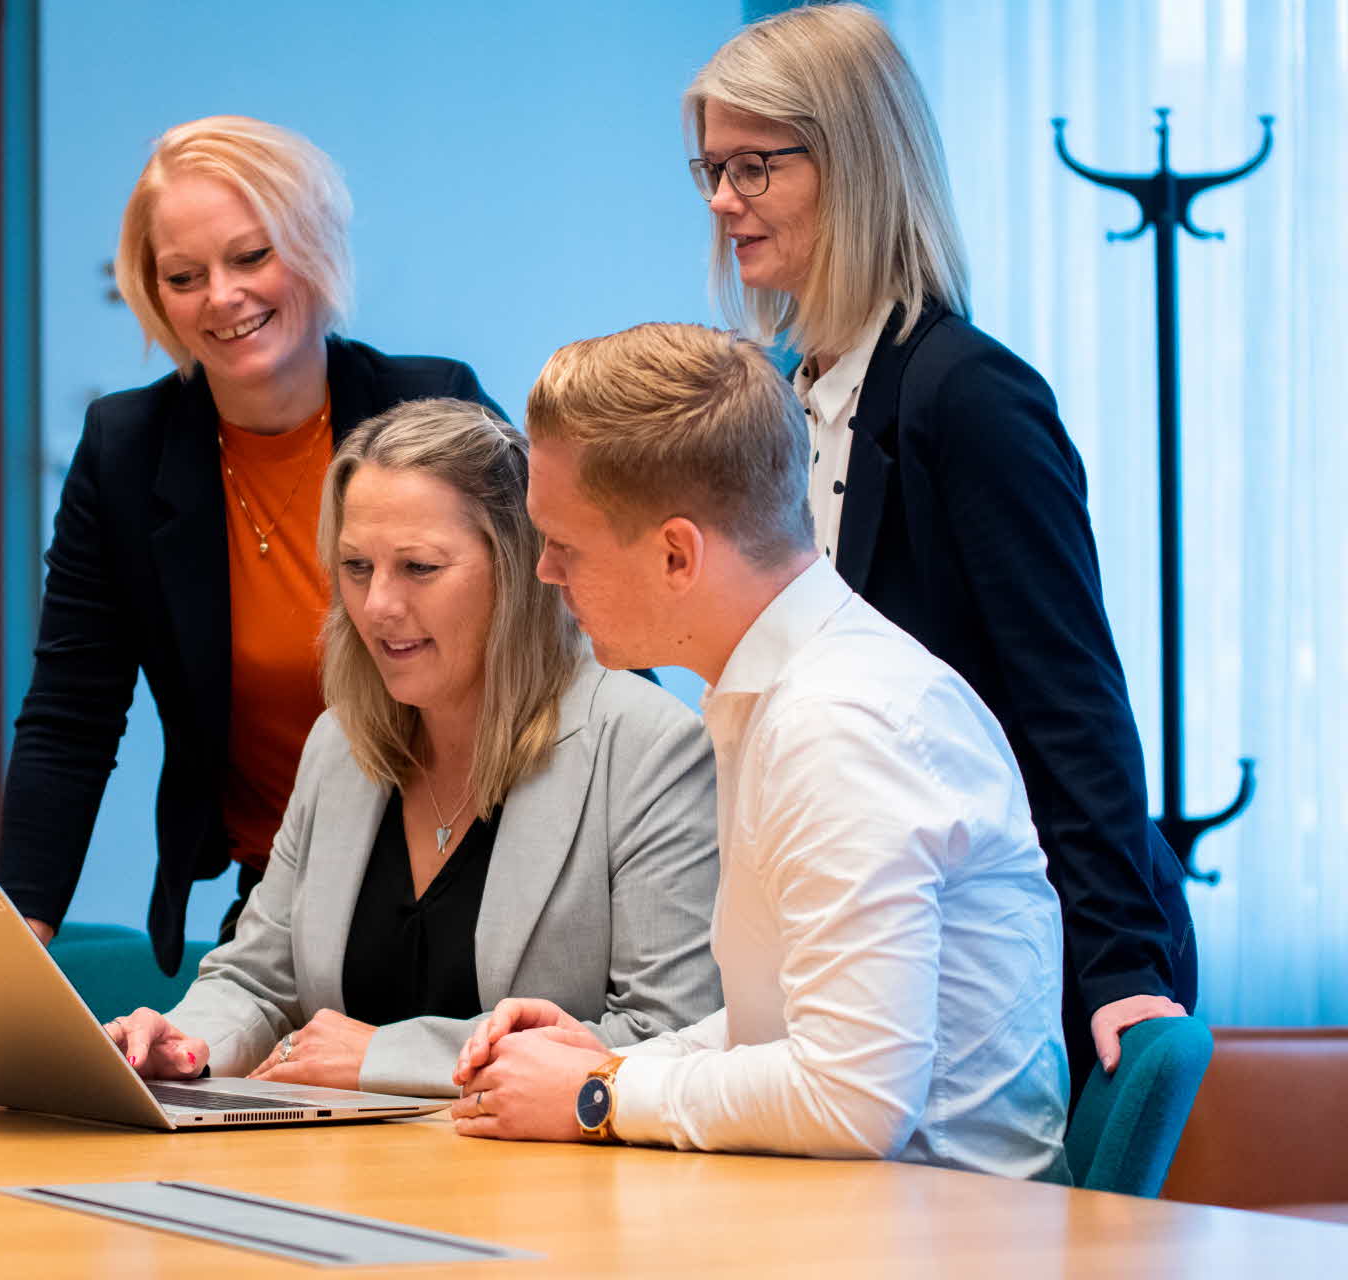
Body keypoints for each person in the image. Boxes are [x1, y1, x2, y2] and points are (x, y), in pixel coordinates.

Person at [678, 2, 1192, 1089]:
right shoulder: (789, 398)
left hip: (1010, 971)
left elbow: (1071, 699)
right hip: (874, 963)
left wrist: (1124, 964)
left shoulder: (969, 396)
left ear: (855, 161)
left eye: (755, 167)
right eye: (712, 168)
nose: (724, 200)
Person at [452, 323, 1069, 1180]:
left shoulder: (839, 725)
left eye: (565, 544)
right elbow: (782, 1026)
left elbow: (853, 1099)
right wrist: (607, 1060)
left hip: (942, 1238)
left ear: (677, 554)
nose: (546, 573)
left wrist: (601, 1091)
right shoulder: (785, 690)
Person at [97, 397, 722, 1097]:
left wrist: (388, 1056)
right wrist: (187, 1043)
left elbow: (668, 1035)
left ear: (518, 569)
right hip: (340, 1185)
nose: (377, 606)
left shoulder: (650, 746)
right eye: (357, 567)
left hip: (546, 1193)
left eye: (419, 568)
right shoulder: (339, 742)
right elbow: (258, 980)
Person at [0, 116, 504, 977]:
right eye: (183, 277)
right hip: (282, 893)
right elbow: (70, 720)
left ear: (313, 250)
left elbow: (571, 653)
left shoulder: (431, 406)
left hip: (478, 875)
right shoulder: (126, 450)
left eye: (251, 257)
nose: (221, 297)